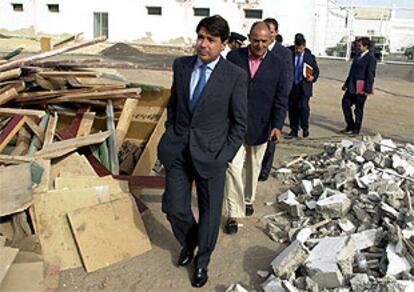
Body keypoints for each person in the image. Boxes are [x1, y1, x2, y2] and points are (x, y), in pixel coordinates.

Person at [224, 22, 289, 234]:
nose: (259, 45)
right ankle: (234, 212)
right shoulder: (234, 58)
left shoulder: (278, 64)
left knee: (254, 167)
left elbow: (281, 99)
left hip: (261, 126)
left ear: (270, 40)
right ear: (249, 38)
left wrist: (278, 126)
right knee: (232, 168)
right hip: (234, 125)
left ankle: (248, 199)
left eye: (264, 41)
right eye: (255, 40)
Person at [258, 18, 293, 182]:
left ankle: (264, 169)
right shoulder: (255, 49)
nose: (268, 35)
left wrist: (281, 101)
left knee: (271, 136)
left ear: (275, 33)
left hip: (274, 102)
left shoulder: (284, 54)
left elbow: (287, 80)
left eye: (270, 31)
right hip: (258, 102)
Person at [340, 37, 377, 137]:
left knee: (358, 109)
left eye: (359, 45)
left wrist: (367, 89)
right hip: (351, 85)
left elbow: (371, 75)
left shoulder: (371, 58)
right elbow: (351, 72)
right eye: (357, 45)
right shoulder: (357, 56)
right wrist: (346, 84)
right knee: (345, 104)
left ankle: (356, 129)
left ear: (366, 46)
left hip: (361, 87)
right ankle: (350, 125)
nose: (357, 47)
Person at [286, 33, 319, 139]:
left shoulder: (309, 57)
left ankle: (305, 128)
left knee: (303, 108)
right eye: (297, 48)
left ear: (304, 46)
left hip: (304, 86)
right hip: (292, 86)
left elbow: (316, 70)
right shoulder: (289, 54)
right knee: (292, 108)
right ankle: (294, 129)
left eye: (300, 48)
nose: (299, 50)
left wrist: (313, 77)